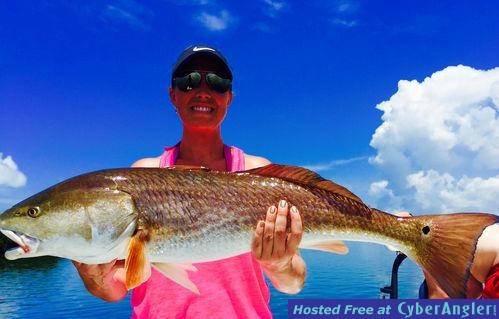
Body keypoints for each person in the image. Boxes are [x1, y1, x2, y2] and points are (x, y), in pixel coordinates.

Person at [73, 44, 307, 318]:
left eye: (218, 82)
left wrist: (280, 265)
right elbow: (116, 289)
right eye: (189, 81)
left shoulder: (261, 175)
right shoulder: (144, 174)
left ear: (229, 97)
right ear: (173, 95)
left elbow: (293, 284)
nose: (204, 91)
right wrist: (95, 276)